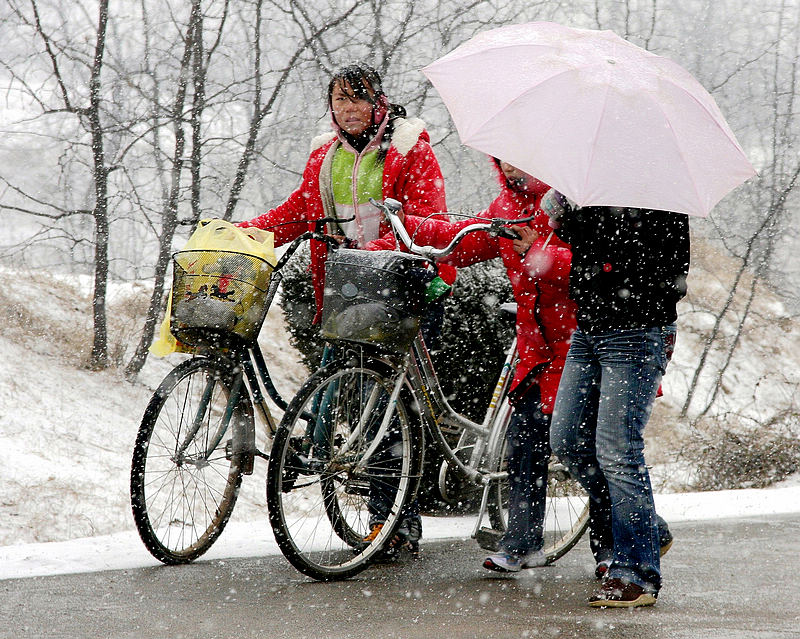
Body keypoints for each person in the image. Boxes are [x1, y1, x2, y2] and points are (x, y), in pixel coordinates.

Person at [238, 62, 455, 553]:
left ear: (378, 101)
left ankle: (396, 520)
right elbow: (297, 212)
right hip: (348, 290)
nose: (350, 108)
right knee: (345, 390)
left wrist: (380, 254)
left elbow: (426, 221)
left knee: (395, 403)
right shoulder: (325, 156)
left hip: (406, 287)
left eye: (358, 98)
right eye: (340, 100)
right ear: (330, 107)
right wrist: (246, 233)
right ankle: (356, 483)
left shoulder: (407, 149)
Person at [369, 158, 612, 571]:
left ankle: (619, 544)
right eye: (503, 160)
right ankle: (522, 544)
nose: (512, 169)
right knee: (525, 443)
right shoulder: (505, 207)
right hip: (536, 348)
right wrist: (402, 228)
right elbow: (459, 240)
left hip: (581, 344)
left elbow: (598, 269)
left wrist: (539, 251)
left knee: (579, 447)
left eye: (520, 158)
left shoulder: (574, 202)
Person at [544, 190, 689, 608]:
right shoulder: (593, 185)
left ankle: (638, 575)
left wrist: (599, 237)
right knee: (568, 439)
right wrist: (567, 219)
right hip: (589, 329)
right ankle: (649, 528)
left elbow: (669, 274)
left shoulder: (660, 192)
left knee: (618, 450)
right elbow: (588, 256)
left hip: (637, 333)